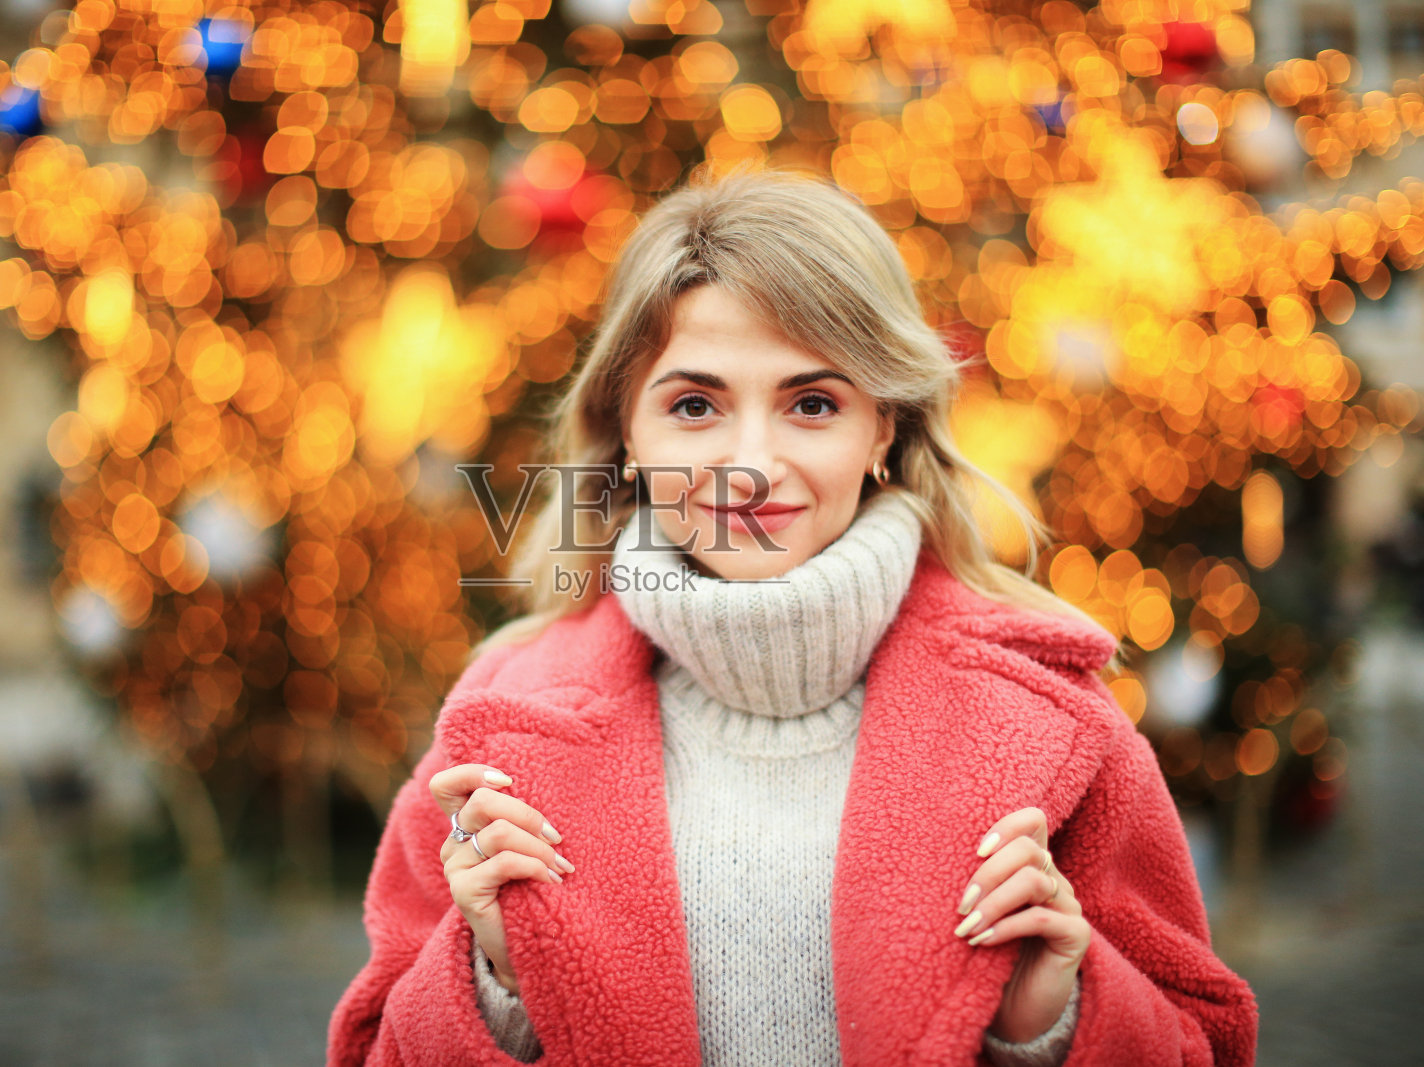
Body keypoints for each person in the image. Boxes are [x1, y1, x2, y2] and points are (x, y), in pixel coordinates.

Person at [328, 165, 1258, 1066]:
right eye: (695, 404)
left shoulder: (1054, 717)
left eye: (813, 402)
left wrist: (1054, 1020)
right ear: (626, 434)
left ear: (883, 429)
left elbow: (1205, 1041)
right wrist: (497, 980)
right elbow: (370, 1047)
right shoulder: (498, 728)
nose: (752, 462)